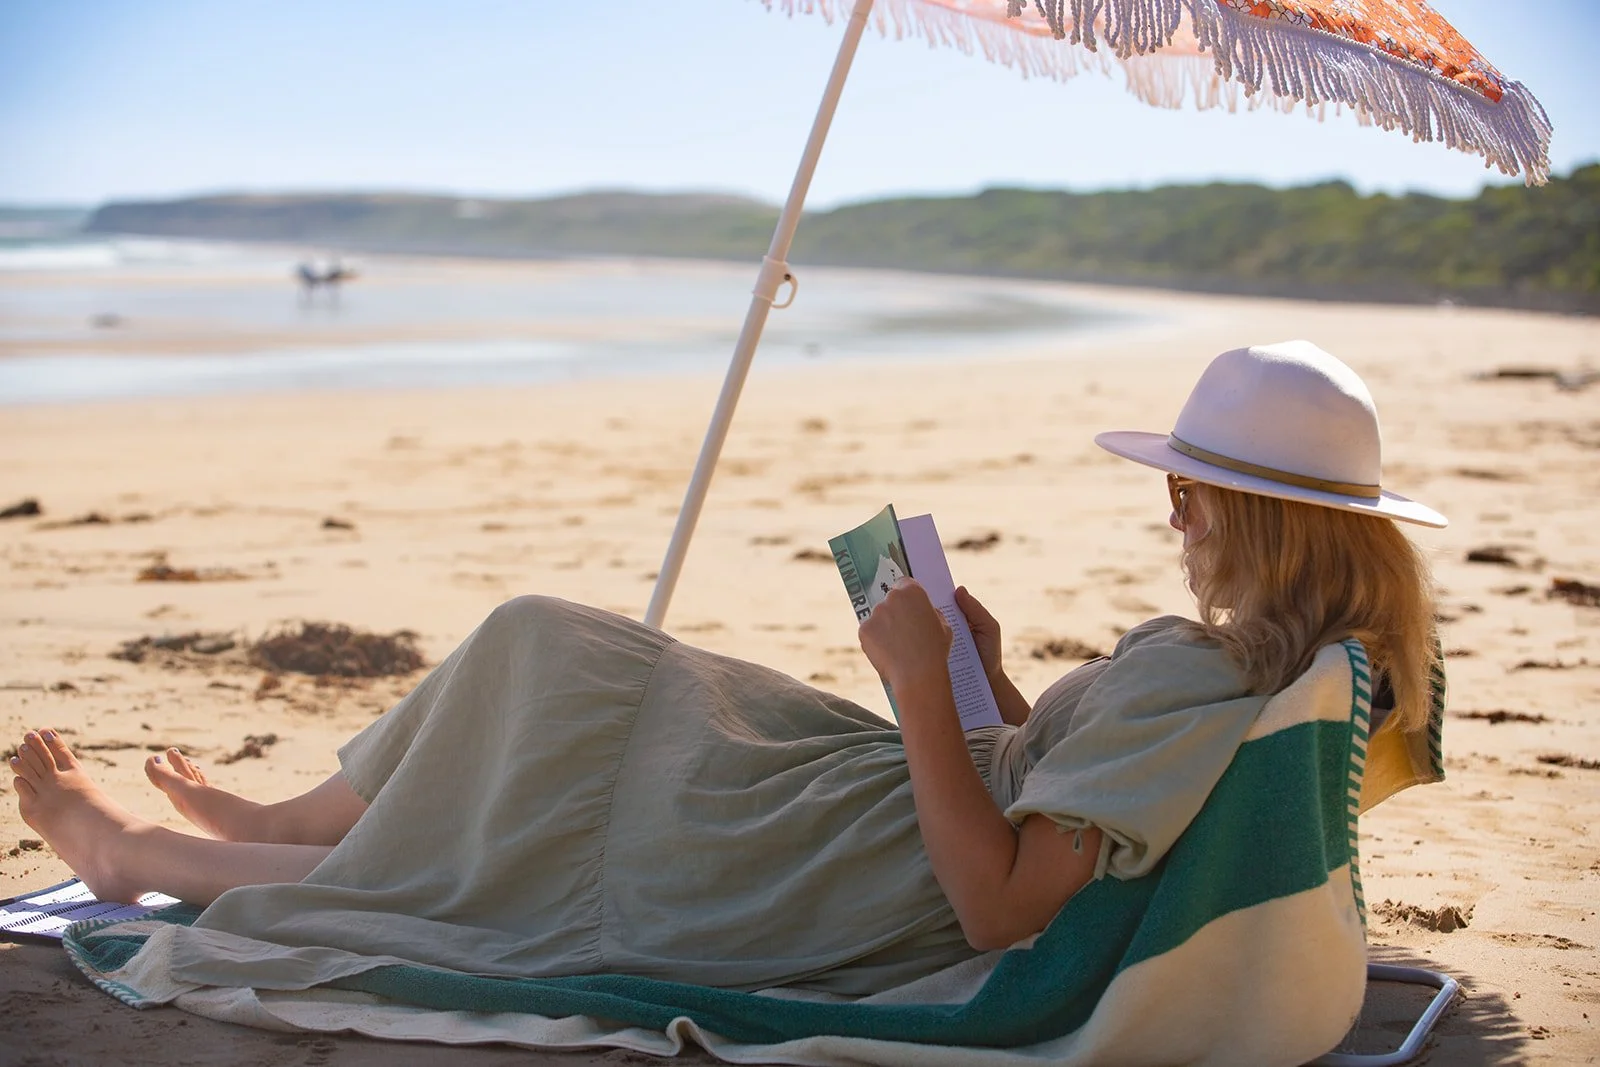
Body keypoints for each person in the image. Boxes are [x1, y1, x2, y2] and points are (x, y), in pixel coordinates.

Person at [9, 339, 1444, 997]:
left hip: (833, 865)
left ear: (1248, 516)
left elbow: (1000, 905)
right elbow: (1062, 798)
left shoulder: (1203, 684)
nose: (1173, 515)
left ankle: (146, 857)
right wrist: (989, 684)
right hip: (861, 802)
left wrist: (909, 690)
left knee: (481, 859)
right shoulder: (1240, 676)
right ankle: (275, 823)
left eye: (1189, 493)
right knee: (546, 645)